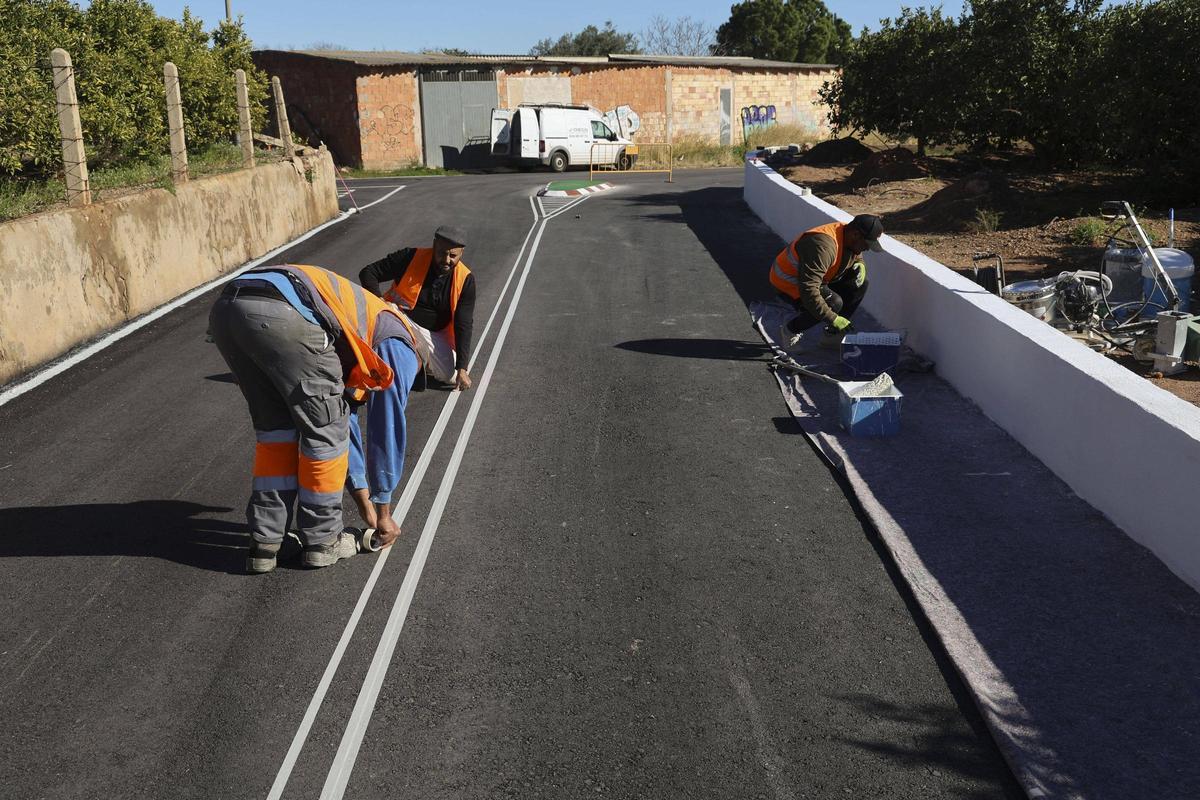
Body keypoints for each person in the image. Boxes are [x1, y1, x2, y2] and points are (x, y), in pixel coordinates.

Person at [208, 263, 425, 573]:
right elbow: (384, 428)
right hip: (283, 312)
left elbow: (345, 414)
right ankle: (323, 541)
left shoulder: (365, 322)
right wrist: (383, 510)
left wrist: (364, 502)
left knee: (276, 435)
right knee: (323, 434)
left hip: (229, 309)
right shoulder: (400, 343)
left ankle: (267, 543)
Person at [359, 224, 476, 392]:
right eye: (442, 253)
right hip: (398, 316)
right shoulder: (409, 257)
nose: (446, 260)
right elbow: (368, 272)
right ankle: (399, 361)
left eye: (452, 255)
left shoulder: (466, 280)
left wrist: (462, 368)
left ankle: (419, 356)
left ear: (461, 253)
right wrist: (378, 302)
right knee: (392, 327)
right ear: (434, 245)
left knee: (450, 375)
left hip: (433, 332)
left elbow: (463, 324)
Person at [771, 214, 885, 351]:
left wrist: (860, 262)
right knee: (834, 303)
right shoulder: (822, 247)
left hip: (819, 278)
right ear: (855, 235)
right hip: (789, 282)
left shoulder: (848, 232)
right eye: (867, 244)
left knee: (861, 283)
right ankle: (790, 330)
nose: (867, 248)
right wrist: (833, 318)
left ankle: (831, 337)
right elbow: (809, 289)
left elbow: (855, 250)